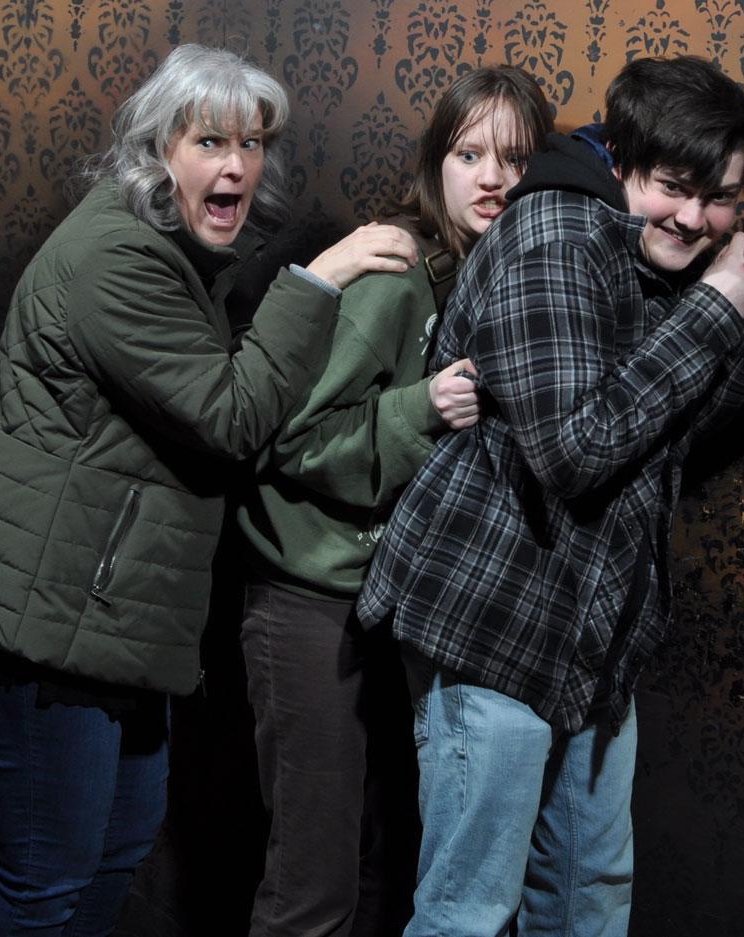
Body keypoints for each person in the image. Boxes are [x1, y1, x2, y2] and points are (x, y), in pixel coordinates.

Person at [0, 43, 417, 937]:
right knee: (46, 877)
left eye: (252, 143)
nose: (237, 165)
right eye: (210, 141)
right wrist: (318, 280)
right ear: (157, 150)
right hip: (46, 624)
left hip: (104, 622)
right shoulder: (116, 259)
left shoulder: (168, 252)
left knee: (112, 850)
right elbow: (230, 414)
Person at [357, 55, 744, 937]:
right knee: (468, 912)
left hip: (593, 642)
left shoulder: (652, 249)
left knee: (586, 898)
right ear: (620, 159)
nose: (696, 218)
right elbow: (577, 449)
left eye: (720, 199)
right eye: (675, 188)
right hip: (495, 623)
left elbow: (671, 434)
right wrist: (717, 308)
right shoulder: (552, 237)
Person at [234, 66, 551, 937]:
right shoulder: (396, 269)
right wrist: (420, 409)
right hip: (308, 595)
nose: (492, 178)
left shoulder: (489, 273)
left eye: (516, 159)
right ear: (434, 163)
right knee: (313, 885)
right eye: (469, 154)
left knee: (381, 868)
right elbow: (288, 439)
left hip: (387, 604)